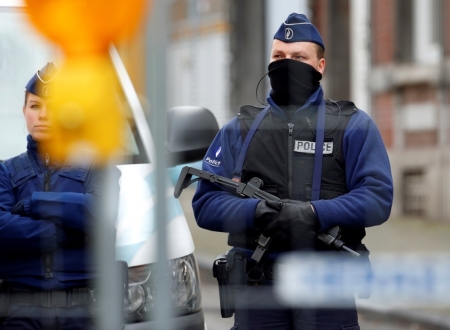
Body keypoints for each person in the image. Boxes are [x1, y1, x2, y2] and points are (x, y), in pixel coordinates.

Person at [192, 13, 393, 330]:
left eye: (299, 57)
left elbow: (378, 198)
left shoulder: (353, 125)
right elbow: (205, 204)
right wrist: (255, 211)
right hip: (258, 291)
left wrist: (314, 213)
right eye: (279, 56)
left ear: (320, 66)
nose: (287, 64)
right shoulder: (239, 130)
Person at [0, 63, 120, 329]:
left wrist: (35, 204)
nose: (43, 115)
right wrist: (66, 232)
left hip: (84, 311)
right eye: (34, 106)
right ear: (24, 112)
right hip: (18, 311)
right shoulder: (5, 171)